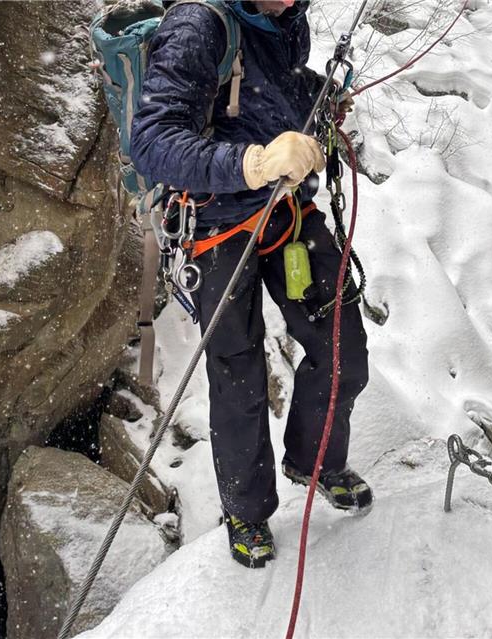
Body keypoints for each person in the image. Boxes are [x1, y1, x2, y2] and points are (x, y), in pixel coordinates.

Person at [130, 0, 372, 569]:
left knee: (341, 344)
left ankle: (314, 462)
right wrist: (257, 163)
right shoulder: (199, 24)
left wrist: (317, 94)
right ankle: (247, 509)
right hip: (217, 226)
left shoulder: (285, 18)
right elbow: (152, 141)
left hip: (286, 212)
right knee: (238, 375)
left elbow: (267, 88)